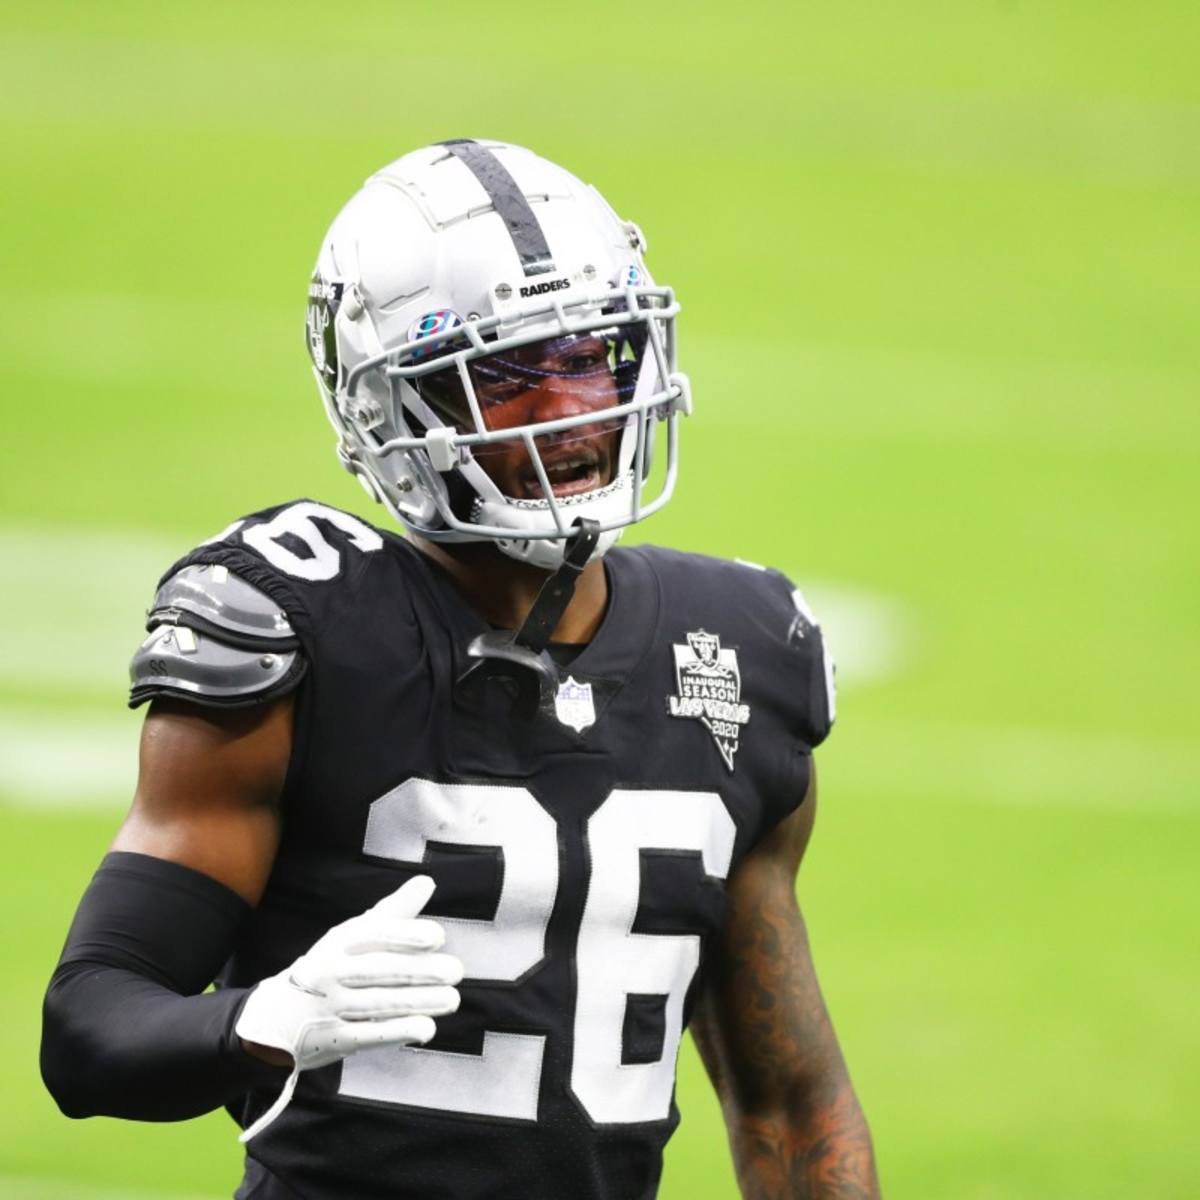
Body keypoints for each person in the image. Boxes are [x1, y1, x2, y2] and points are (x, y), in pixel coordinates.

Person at [41, 139, 880, 1199]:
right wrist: (257, 1022)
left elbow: (791, 1106)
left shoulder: (736, 649)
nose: (574, 407)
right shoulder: (301, 630)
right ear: (396, 402)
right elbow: (89, 1025)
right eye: (510, 374)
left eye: (594, 356)